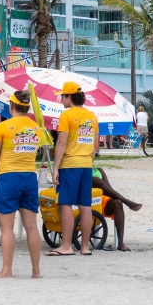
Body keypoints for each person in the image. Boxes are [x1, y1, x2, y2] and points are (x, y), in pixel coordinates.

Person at [0, 90, 41, 278]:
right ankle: (36, 271)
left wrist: (1, 168)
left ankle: (7, 270)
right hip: (29, 177)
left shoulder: (3, 127)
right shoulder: (36, 128)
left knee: (7, 228)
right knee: (32, 227)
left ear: (11, 106)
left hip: (8, 177)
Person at [48, 81, 98, 256]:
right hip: (86, 164)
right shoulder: (92, 116)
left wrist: (55, 167)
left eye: (62, 96)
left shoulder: (67, 115)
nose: (61, 99)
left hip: (70, 164)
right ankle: (85, 247)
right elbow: (95, 145)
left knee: (65, 203)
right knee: (85, 205)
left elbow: (61, 142)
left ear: (70, 97)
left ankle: (67, 246)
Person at [92, 167, 140, 251]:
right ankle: (127, 202)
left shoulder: (99, 170)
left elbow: (109, 190)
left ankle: (120, 243)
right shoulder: (81, 170)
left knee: (117, 202)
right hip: (88, 201)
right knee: (96, 180)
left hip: (102, 201)